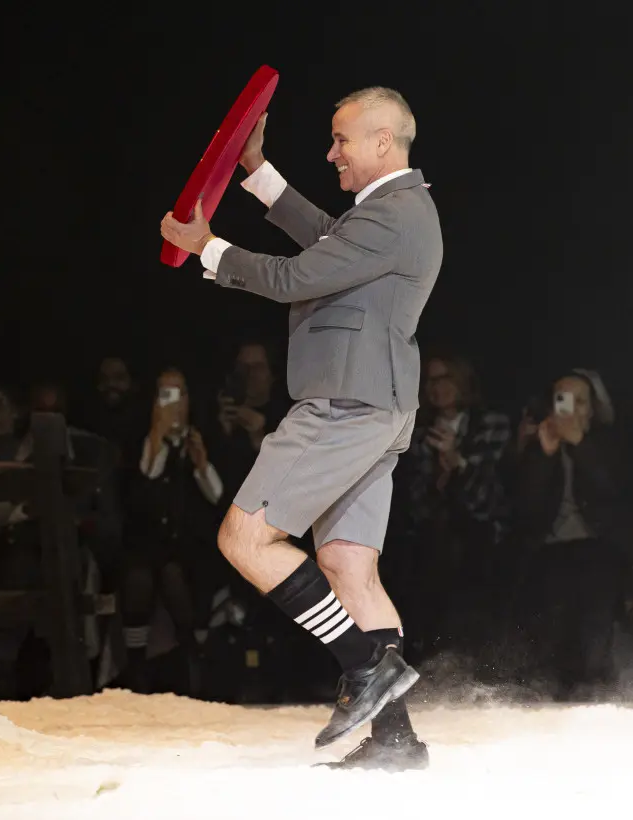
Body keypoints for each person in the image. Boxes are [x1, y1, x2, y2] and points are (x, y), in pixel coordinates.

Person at [159, 86, 442, 770]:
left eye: (341, 139)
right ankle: (397, 740)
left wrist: (208, 249)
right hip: (378, 407)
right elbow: (325, 238)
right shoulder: (394, 212)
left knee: (246, 537)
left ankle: (364, 667)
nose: (330, 152)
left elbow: (293, 277)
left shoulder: (394, 214)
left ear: (382, 142)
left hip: (344, 405)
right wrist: (255, 171)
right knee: (349, 566)